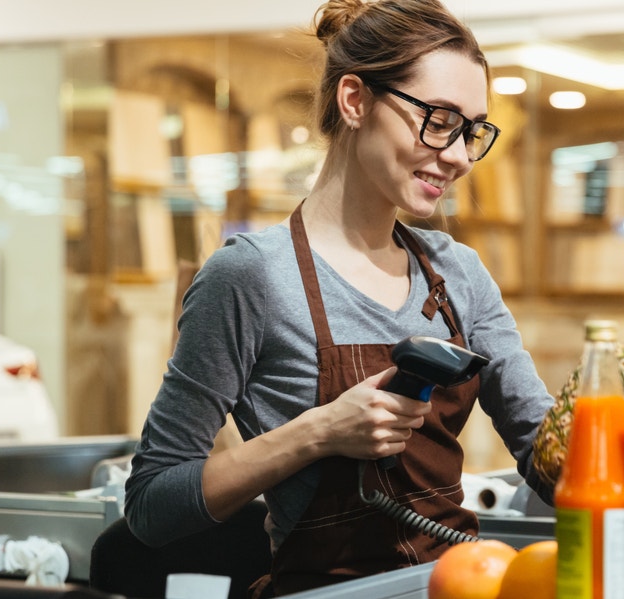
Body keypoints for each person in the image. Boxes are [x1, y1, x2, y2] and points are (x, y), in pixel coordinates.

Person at [123, 0, 558, 595]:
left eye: (472, 130)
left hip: (455, 584)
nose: (458, 155)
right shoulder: (251, 277)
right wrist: (318, 433)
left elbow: (551, 466)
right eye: (438, 119)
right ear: (355, 101)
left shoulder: (459, 273)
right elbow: (151, 506)